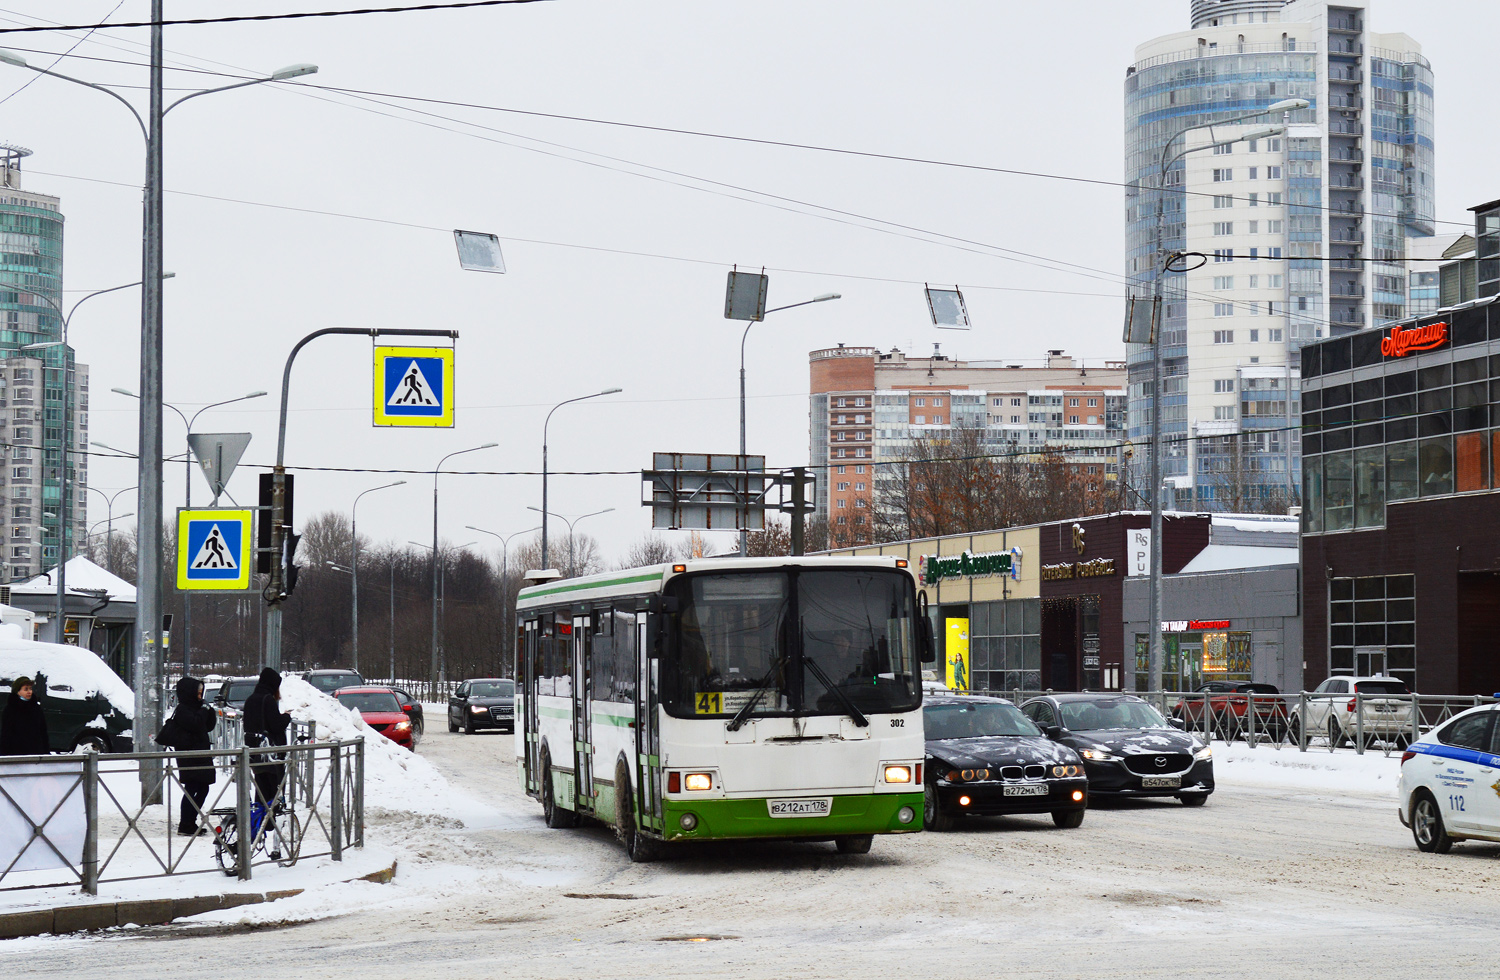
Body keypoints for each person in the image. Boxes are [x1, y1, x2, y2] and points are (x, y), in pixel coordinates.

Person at [161, 676, 217, 836]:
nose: (200, 695)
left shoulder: (196, 707)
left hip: (201, 752)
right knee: (193, 788)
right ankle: (186, 823)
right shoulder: (183, 709)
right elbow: (195, 724)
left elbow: (208, 725)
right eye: (198, 692)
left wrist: (208, 709)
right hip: (190, 755)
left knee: (203, 787)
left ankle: (190, 821)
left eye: (201, 692)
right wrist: (203, 710)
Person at [240, 667, 290, 809]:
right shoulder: (268, 700)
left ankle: (258, 823)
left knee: (261, 791)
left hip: (255, 754)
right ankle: (268, 823)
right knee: (273, 794)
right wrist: (286, 716)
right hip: (270, 755)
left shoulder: (250, 699)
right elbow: (276, 725)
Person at [0, 676, 50, 756]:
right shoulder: (10, 709)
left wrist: (46, 753)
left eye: (30, 689)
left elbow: (43, 733)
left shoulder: (36, 708)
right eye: (26, 689)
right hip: (16, 755)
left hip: (36, 754)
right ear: (17, 691)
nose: (29, 692)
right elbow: (6, 735)